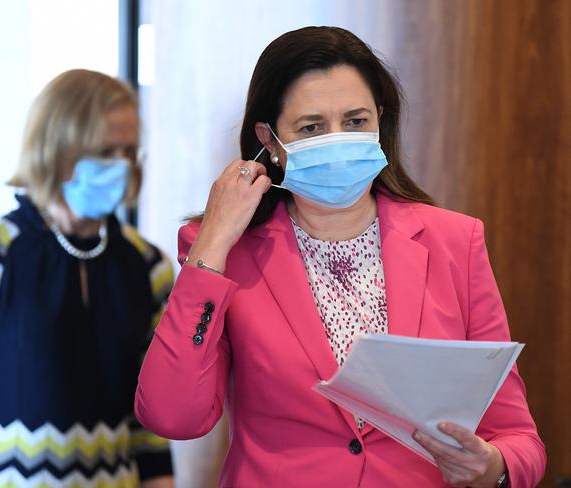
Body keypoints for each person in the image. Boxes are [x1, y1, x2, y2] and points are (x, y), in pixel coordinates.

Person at [134, 26, 546, 487]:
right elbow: (172, 415)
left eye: (355, 122)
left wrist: (492, 466)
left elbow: (518, 437)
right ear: (269, 141)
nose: (338, 139)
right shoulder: (227, 249)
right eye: (312, 128)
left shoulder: (455, 241)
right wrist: (211, 245)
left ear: (380, 121)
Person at [0, 69, 174, 487]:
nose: (120, 166)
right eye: (103, 151)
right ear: (56, 150)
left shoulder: (148, 267)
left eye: (128, 152)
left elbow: (149, 418)